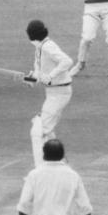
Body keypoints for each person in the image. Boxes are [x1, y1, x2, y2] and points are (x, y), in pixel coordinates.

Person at [24, 20, 73, 169]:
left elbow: (67, 61)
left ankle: (40, 169)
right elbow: (39, 73)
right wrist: (31, 79)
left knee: (38, 131)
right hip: (53, 93)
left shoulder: (48, 47)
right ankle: (62, 163)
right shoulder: (39, 48)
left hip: (59, 93)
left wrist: (51, 76)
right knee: (47, 129)